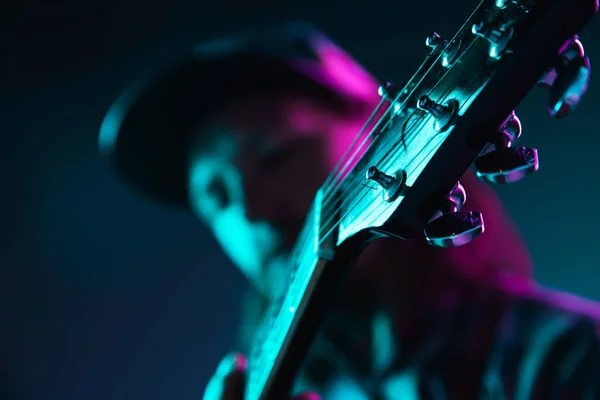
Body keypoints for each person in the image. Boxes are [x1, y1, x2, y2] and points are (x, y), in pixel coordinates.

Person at [99, 22, 600, 399]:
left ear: (381, 143)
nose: (251, 211)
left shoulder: (566, 358)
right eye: (216, 198)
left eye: (274, 155)